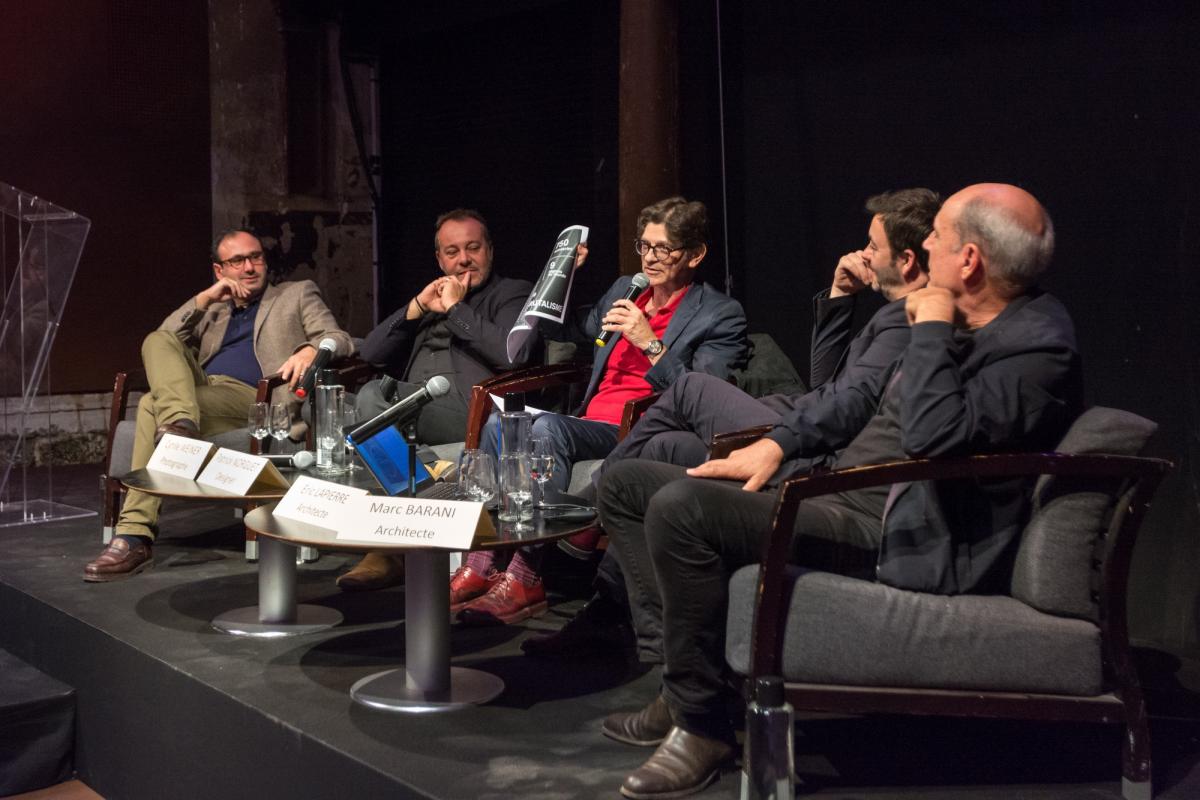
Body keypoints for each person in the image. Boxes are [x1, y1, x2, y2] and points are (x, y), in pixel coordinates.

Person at [599, 183, 1083, 799]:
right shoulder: (965, 316)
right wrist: (779, 445)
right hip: (840, 492)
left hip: (893, 528)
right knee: (628, 483)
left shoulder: (1034, 345)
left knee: (683, 505)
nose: (925, 247)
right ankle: (680, 683)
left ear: (968, 261)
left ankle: (701, 724)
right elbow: (840, 391)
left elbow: (933, 438)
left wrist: (933, 325)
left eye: (937, 237)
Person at [523, 188, 942, 657]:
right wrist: (841, 296)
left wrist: (778, 437)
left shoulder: (908, 321)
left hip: (812, 452)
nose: (861, 254)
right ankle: (613, 612)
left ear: (907, 261)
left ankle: (584, 528)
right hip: (799, 426)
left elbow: (846, 404)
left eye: (872, 246)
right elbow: (826, 384)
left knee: (691, 389)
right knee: (657, 452)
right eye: (646, 246)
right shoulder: (897, 317)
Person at [454, 196, 751, 625]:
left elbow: (703, 396)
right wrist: (563, 280)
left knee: (545, 431)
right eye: (644, 246)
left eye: (663, 249)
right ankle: (481, 563)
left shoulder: (719, 314)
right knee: (502, 424)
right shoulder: (627, 289)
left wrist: (650, 342)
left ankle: (525, 575)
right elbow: (572, 329)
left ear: (695, 254)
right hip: (590, 421)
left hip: (640, 430)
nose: (650, 258)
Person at [84, 230, 354, 582]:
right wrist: (205, 299)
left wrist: (311, 349)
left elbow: (340, 338)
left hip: (256, 396)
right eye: (237, 261)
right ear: (219, 270)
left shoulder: (296, 293)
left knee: (151, 403)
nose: (249, 267)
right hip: (202, 392)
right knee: (157, 339)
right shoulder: (214, 308)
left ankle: (135, 535)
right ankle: (181, 423)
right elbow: (166, 339)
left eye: (255, 257)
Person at [336, 208, 540, 591]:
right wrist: (416, 306)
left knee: (372, 401)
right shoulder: (431, 301)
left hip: (472, 413)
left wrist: (457, 310)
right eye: (452, 252)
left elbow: (514, 353)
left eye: (473, 248)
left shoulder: (511, 293)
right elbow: (372, 353)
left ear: (490, 250)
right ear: (439, 259)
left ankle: (389, 545)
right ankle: (427, 479)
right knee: (347, 404)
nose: (463, 259)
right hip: (417, 412)